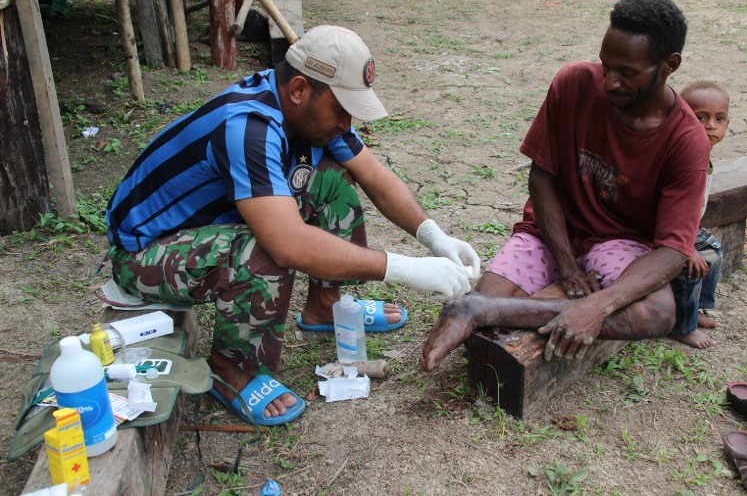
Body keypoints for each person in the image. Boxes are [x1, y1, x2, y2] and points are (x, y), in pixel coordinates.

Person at [105, 25, 481, 425]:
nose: (346, 122)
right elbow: (287, 243)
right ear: (300, 89)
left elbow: (374, 176)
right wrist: (403, 269)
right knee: (261, 251)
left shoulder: (305, 114)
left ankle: (326, 306)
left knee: (334, 179)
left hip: (204, 229)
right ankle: (233, 369)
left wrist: (432, 235)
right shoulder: (249, 127)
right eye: (341, 108)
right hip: (146, 253)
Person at [419, 0, 710, 372]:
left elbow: (672, 251)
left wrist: (595, 306)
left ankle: (480, 309)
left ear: (669, 65)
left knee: (657, 313)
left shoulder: (686, 141)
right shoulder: (573, 83)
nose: (609, 83)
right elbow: (543, 175)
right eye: (606, 66)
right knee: (480, 338)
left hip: (619, 244)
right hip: (549, 232)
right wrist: (567, 267)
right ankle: (478, 306)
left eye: (626, 72)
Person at [668, 81, 730, 349]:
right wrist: (685, 246)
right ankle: (683, 325)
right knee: (691, 266)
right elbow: (665, 209)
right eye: (700, 117)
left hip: (688, 226)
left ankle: (700, 306)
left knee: (714, 250)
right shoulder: (680, 157)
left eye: (720, 118)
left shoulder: (704, 154)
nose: (710, 125)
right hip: (665, 231)